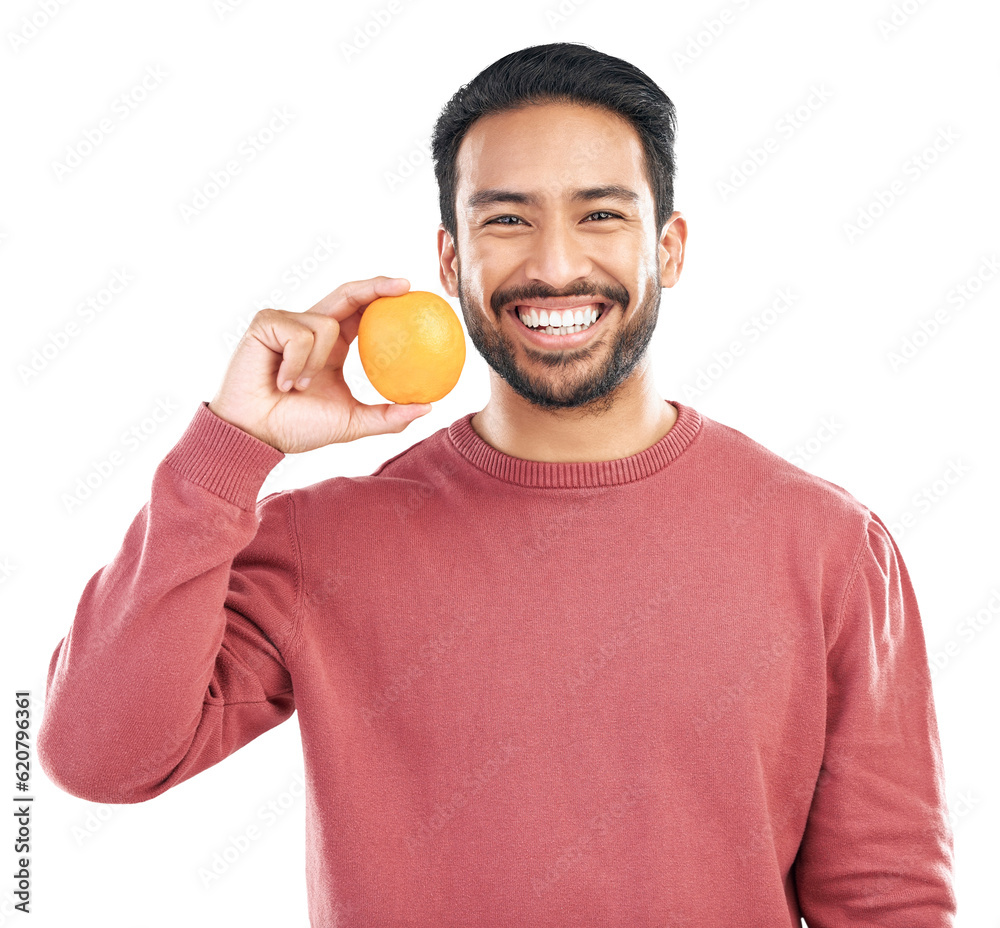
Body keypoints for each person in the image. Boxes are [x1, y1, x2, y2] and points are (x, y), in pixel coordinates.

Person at [38, 42, 956, 926]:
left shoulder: (829, 545)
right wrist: (231, 447)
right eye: (507, 218)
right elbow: (99, 756)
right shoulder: (329, 537)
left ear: (669, 248)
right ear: (450, 261)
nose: (556, 265)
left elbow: (888, 902)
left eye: (601, 214)